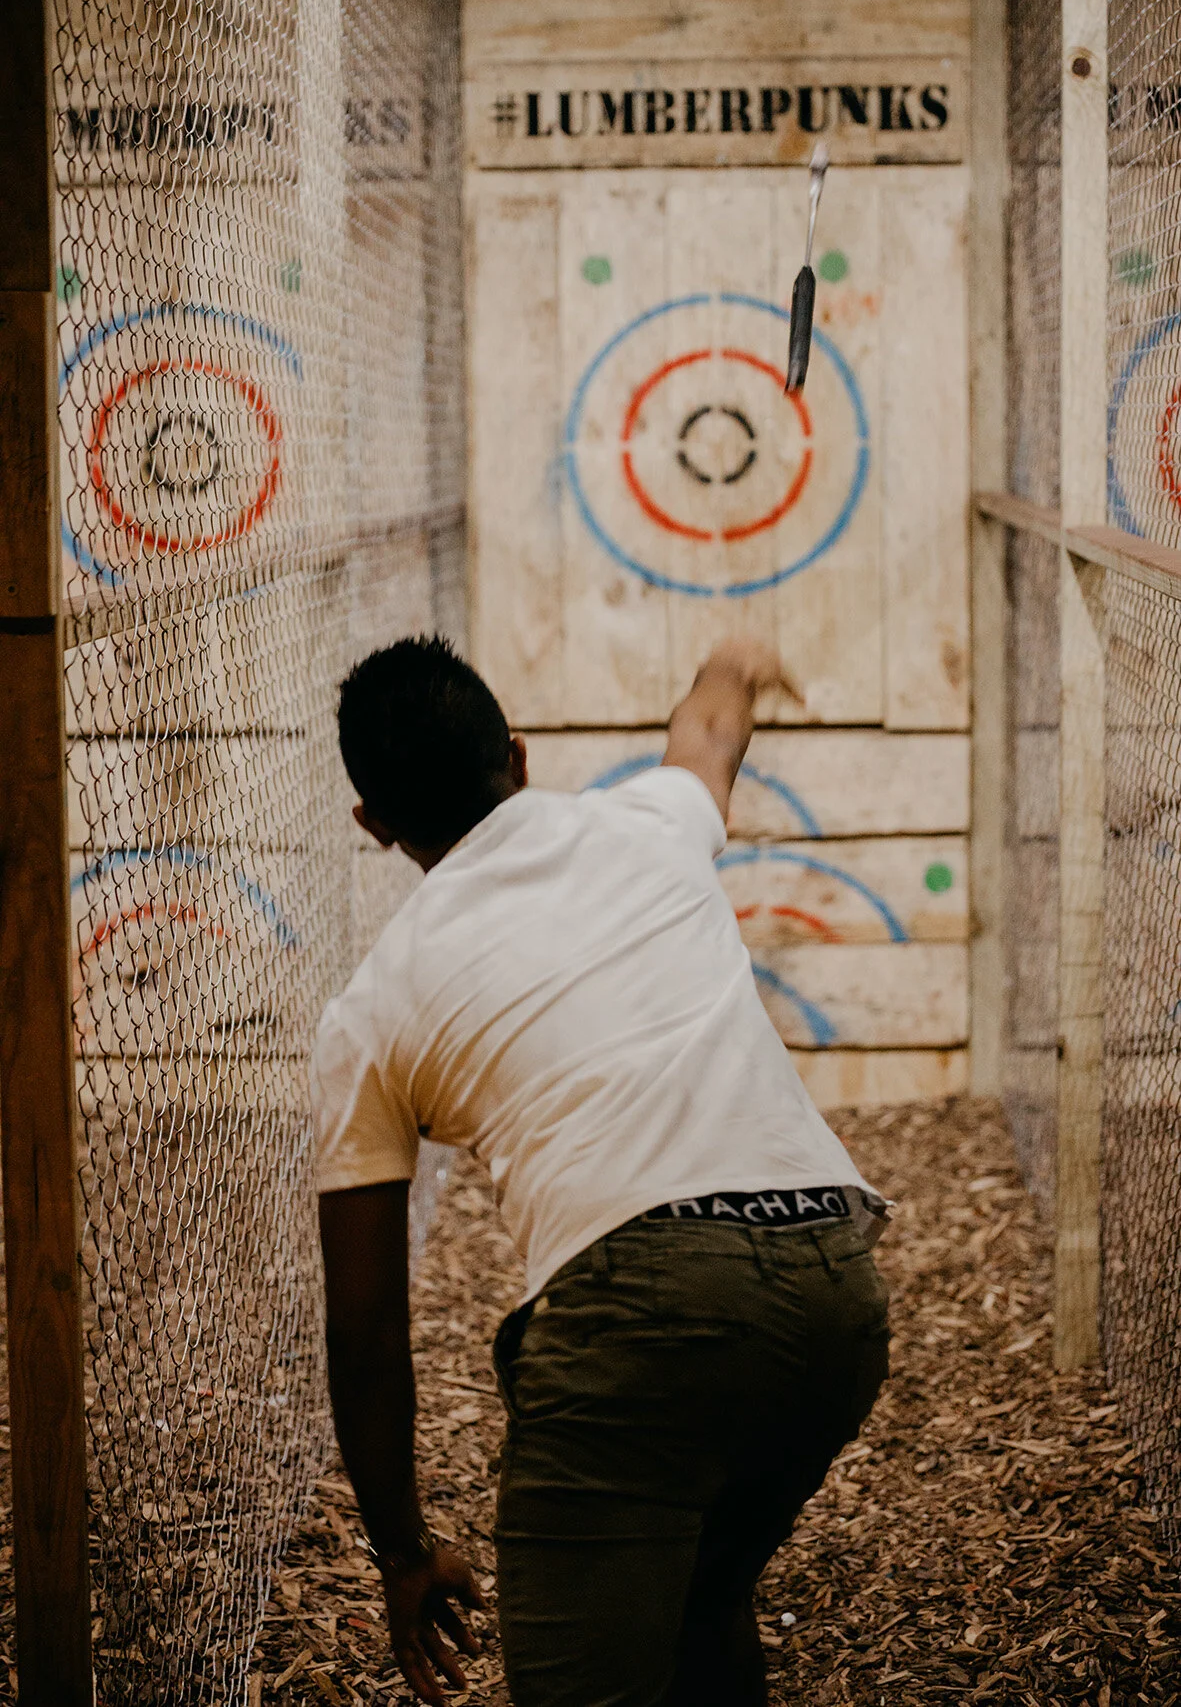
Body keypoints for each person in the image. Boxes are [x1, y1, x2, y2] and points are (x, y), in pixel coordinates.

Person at [312, 633, 890, 1707]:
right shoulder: (645, 823)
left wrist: (401, 1550)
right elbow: (709, 731)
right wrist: (736, 660)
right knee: (701, 1601)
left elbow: (365, 1324)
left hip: (641, 1323)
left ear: (374, 825)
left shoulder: (367, 1012)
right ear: (519, 757)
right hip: (832, 1289)